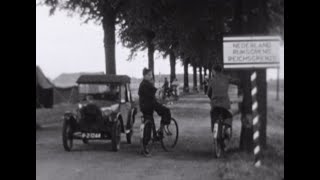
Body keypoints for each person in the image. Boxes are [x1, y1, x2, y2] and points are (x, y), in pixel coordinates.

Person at [138, 68, 172, 155]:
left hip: (144, 107)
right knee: (166, 111)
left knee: (149, 122)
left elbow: (153, 94)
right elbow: (156, 92)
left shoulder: (142, 84)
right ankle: (161, 129)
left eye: (151, 74)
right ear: (144, 76)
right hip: (150, 105)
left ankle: (148, 143)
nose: (151, 76)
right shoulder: (146, 84)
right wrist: (163, 89)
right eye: (149, 75)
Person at [207, 65, 240, 142]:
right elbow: (236, 81)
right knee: (229, 116)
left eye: (212, 71)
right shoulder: (226, 78)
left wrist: (212, 98)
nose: (212, 72)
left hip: (215, 104)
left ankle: (214, 130)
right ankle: (226, 130)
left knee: (213, 116)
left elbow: (208, 93)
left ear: (214, 71)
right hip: (225, 103)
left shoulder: (211, 80)